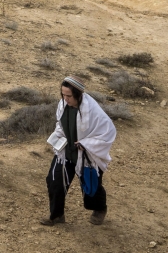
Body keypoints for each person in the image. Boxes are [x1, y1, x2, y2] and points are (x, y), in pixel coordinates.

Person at [41, 75, 116, 226]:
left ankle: (100, 209)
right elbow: (60, 123)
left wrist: (86, 143)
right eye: (63, 94)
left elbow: (108, 132)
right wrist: (58, 136)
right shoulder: (62, 105)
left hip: (87, 155)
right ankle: (57, 215)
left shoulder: (93, 111)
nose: (65, 98)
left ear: (78, 94)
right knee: (55, 181)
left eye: (69, 95)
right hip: (65, 152)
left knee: (91, 187)